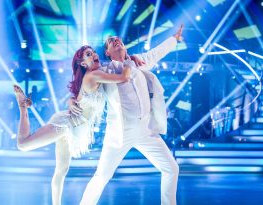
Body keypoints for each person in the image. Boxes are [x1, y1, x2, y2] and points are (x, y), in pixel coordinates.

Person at [13, 45, 132, 205]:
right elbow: (124, 77)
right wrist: (128, 61)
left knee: (61, 171)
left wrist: (71, 101)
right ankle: (22, 107)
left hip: (74, 129)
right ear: (83, 63)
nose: (94, 55)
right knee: (23, 145)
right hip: (66, 124)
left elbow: (78, 97)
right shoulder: (93, 75)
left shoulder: (97, 73)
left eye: (94, 52)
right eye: (89, 54)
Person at [79, 25, 184, 205]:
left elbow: (156, 53)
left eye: (117, 39)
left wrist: (174, 39)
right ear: (108, 52)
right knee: (101, 176)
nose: (116, 41)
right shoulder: (104, 71)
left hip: (145, 130)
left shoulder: (138, 62)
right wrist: (72, 101)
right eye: (111, 42)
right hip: (120, 133)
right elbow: (84, 89)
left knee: (171, 169)